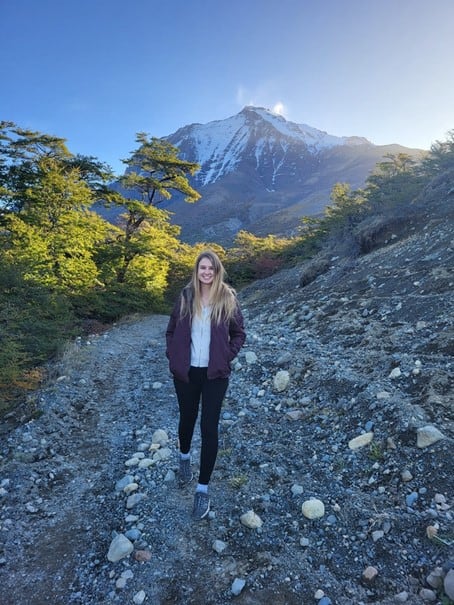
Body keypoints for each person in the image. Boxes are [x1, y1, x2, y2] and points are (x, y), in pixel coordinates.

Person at [165, 250, 246, 520]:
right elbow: (171, 330)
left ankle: (202, 489)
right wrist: (173, 356)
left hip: (215, 375)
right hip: (186, 373)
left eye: (211, 268)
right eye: (202, 268)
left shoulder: (227, 298)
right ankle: (185, 457)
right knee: (187, 418)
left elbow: (239, 333)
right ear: (196, 270)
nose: (207, 272)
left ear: (217, 270)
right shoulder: (186, 296)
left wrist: (226, 356)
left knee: (209, 427)